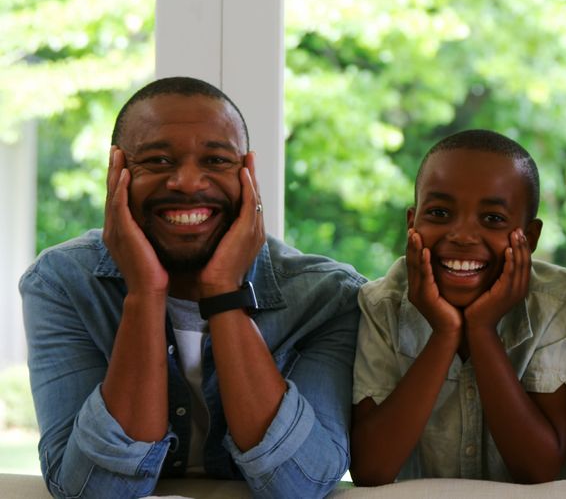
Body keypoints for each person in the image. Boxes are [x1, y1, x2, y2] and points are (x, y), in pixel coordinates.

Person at [20, 77, 364, 498]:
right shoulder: (62, 284)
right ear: (117, 173)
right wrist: (145, 292)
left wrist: (223, 292)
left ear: (248, 175)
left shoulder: (328, 298)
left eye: (217, 161)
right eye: (158, 161)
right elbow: (94, 490)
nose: (187, 182)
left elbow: (300, 484)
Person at [349, 129, 566, 484]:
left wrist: (482, 330)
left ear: (530, 238)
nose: (461, 235)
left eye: (492, 219)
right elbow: (371, 470)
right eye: (440, 212)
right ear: (412, 223)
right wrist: (445, 333)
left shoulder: (555, 300)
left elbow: (540, 471)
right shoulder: (381, 304)